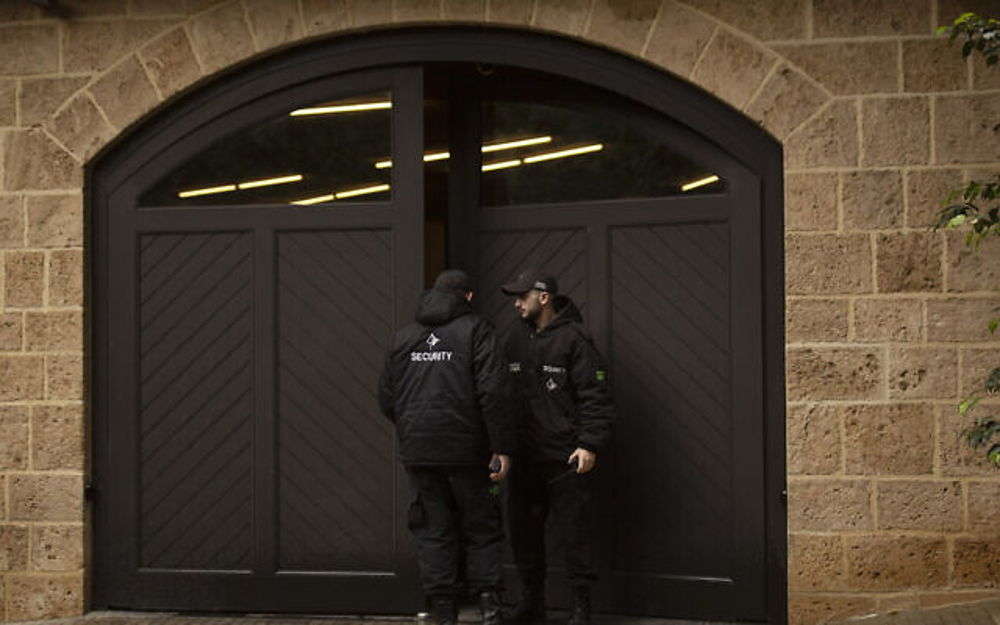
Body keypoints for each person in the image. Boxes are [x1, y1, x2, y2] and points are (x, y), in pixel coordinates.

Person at [378, 269, 515, 625]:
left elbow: (387, 398)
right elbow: (493, 392)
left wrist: (413, 430)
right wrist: (499, 446)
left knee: (433, 528)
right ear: (468, 297)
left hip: (419, 452)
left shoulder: (404, 338)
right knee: (481, 525)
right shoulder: (477, 330)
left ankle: (442, 609)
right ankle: (489, 607)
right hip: (469, 450)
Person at [499, 270, 615, 625]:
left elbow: (595, 395)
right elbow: (500, 396)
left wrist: (589, 444)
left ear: (544, 297)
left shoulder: (574, 339)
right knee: (524, 536)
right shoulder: (513, 338)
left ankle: (581, 609)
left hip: (565, 459)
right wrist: (501, 446)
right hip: (525, 459)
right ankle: (532, 604)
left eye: (523, 296)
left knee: (574, 535)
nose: (517, 303)